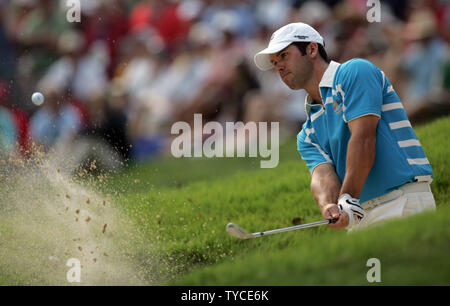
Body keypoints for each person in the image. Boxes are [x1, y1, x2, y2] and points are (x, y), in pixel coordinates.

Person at [254, 22, 436, 231]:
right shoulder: (307, 134)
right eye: (274, 61)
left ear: (312, 49)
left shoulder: (355, 71)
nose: (278, 66)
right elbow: (322, 175)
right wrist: (329, 204)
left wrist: (348, 197)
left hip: (401, 203)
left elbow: (364, 138)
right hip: (359, 218)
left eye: (284, 55)